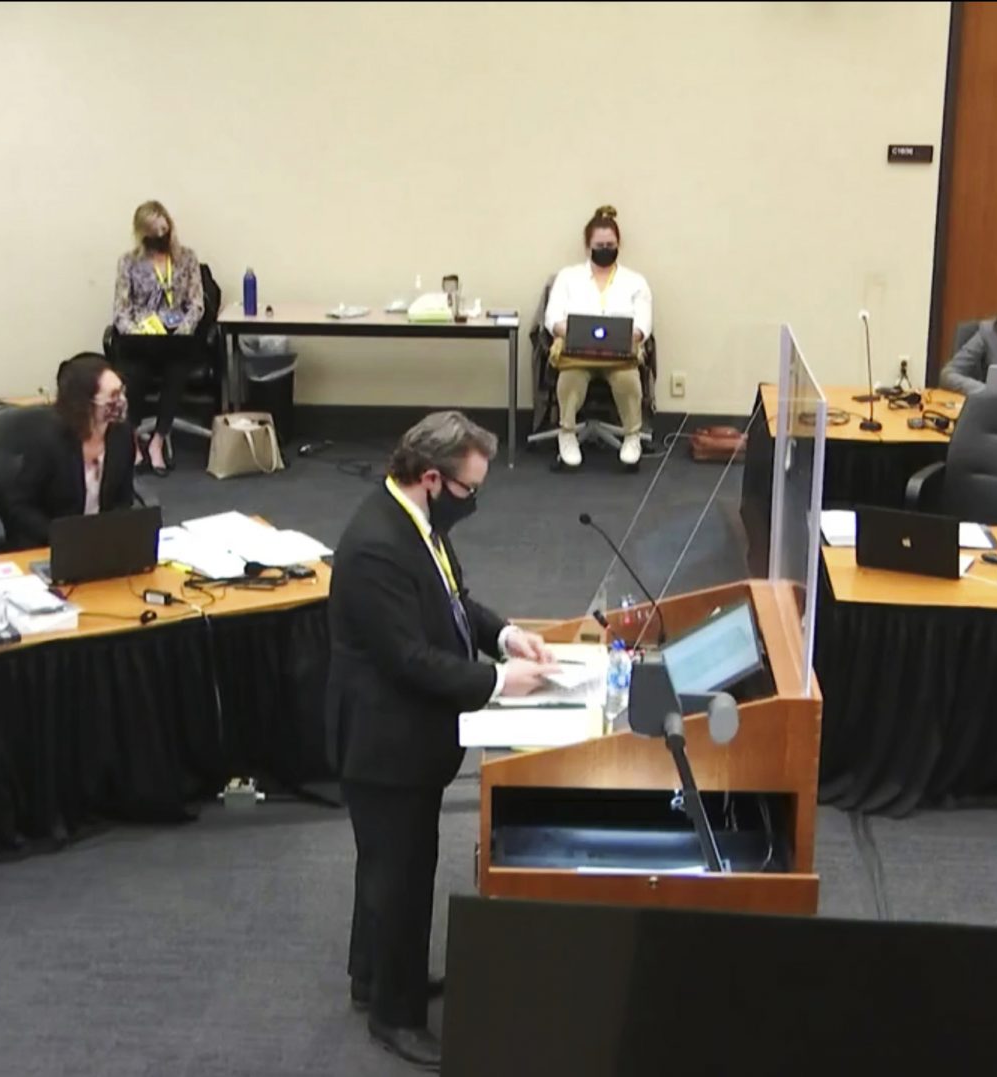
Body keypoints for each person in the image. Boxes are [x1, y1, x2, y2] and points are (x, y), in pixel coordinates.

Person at [326, 411, 557, 1070]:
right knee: (399, 872)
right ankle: (395, 1017)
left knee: (389, 865)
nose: (473, 502)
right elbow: (410, 657)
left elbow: (454, 603)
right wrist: (498, 680)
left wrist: (506, 634)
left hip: (402, 734)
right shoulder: (377, 545)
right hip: (383, 740)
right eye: (469, 489)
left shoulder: (413, 522)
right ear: (432, 478)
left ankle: (372, 976)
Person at [543, 205, 653, 470]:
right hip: (576, 354)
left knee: (627, 380)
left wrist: (632, 335)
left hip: (619, 356)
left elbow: (643, 323)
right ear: (587, 246)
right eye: (599, 244)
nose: (605, 248)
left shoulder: (635, 281)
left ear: (619, 244)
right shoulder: (568, 278)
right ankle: (567, 435)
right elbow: (552, 317)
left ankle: (632, 437)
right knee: (571, 379)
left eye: (610, 244)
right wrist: (572, 333)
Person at [0, 353, 138, 550]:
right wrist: (62, 538)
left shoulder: (121, 435)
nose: (122, 400)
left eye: (122, 391)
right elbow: (19, 506)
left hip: (101, 544)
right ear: (86, 404)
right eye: (114, 396)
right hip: (51, 544)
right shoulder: (49, 441)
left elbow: (123, 499)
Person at [111, 200, 206, 475]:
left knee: (177, 372)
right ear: (142, 234)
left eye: (165, 230)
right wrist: (136, 331)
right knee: (132, 376)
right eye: (154, 232)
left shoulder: (186, 259)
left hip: (176, 336)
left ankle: (158, 440)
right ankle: (133, 443)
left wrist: (183, 331)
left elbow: (196, 303)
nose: (161, 237)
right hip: (141, 336)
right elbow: (121, 310)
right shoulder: (128, 263)